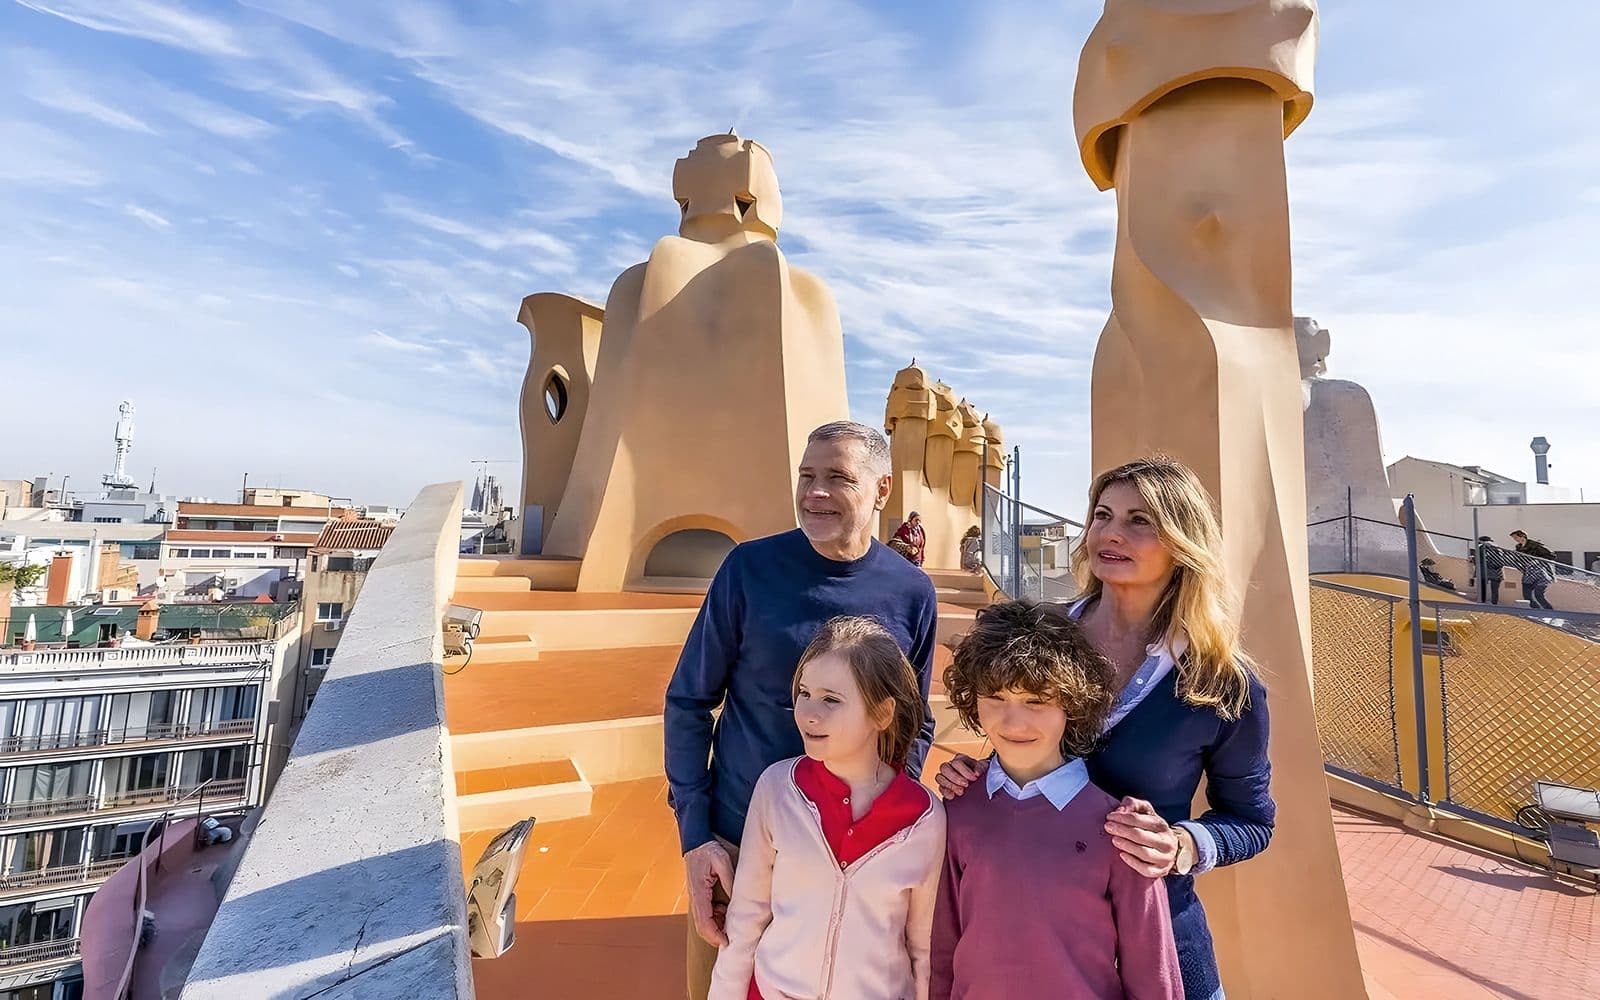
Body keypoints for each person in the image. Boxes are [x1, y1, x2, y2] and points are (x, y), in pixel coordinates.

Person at [936, 457, 1274, 1000]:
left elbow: (1253, 821)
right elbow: (1020, 740)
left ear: (1182, 541)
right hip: (1039, 956)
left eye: (1140, 521)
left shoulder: (1222, 682)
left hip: (1166, 952)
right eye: (1102, 515)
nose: (1111, 534)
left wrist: (1181, 844)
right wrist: (981, 773)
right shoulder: (1037, 633)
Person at [665, 420, 940, 1000]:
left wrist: (886, 813)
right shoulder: (747, 569)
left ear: (881, 489)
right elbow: (689, 699)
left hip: (854, 860)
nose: (814, 492)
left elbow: (914, 721)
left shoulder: (912, 592)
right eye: (807, 476)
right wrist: (697, 836)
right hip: (737, 846)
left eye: (837, 477)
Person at [931, 600, 1180, 1000]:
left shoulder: (1120, 829)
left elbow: (1153, 975)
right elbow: (942, 950)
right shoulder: (956, 811)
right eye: (995, 697)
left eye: (1036, 701)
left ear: (1072, 703)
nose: (1014, 722)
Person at [709, 617, 945, 1000]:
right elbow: (746, 919)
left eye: (831, 699)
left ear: (882, 714)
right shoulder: (776, 789)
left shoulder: (925, 819)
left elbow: (923, 949)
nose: (809, 713)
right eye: (804, 693)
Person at [1511, 530, 1557, 610]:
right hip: (1528, 572)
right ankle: (1537, 611)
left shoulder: (1535, 545)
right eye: (1513, 538)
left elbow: (1551, 555)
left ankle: (1551, 612)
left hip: (1540, 572)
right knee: (1527, 595)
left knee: (1538, 595)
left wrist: (1536, 561)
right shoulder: (1518, 547)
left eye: (1516, 537)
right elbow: (1518, 559)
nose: (1515, 539)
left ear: (1522, 536)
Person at [1472, 536, 1507, 605]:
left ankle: (1482, 602)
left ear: (1481, 541)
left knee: (1482, 587)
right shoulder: (1498, 547)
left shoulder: (1481, 546)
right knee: (1495, 590)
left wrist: (1473, 559)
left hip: (1484, 570)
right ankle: (1494, 603)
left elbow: (1477, 560)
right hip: (1497, 571)